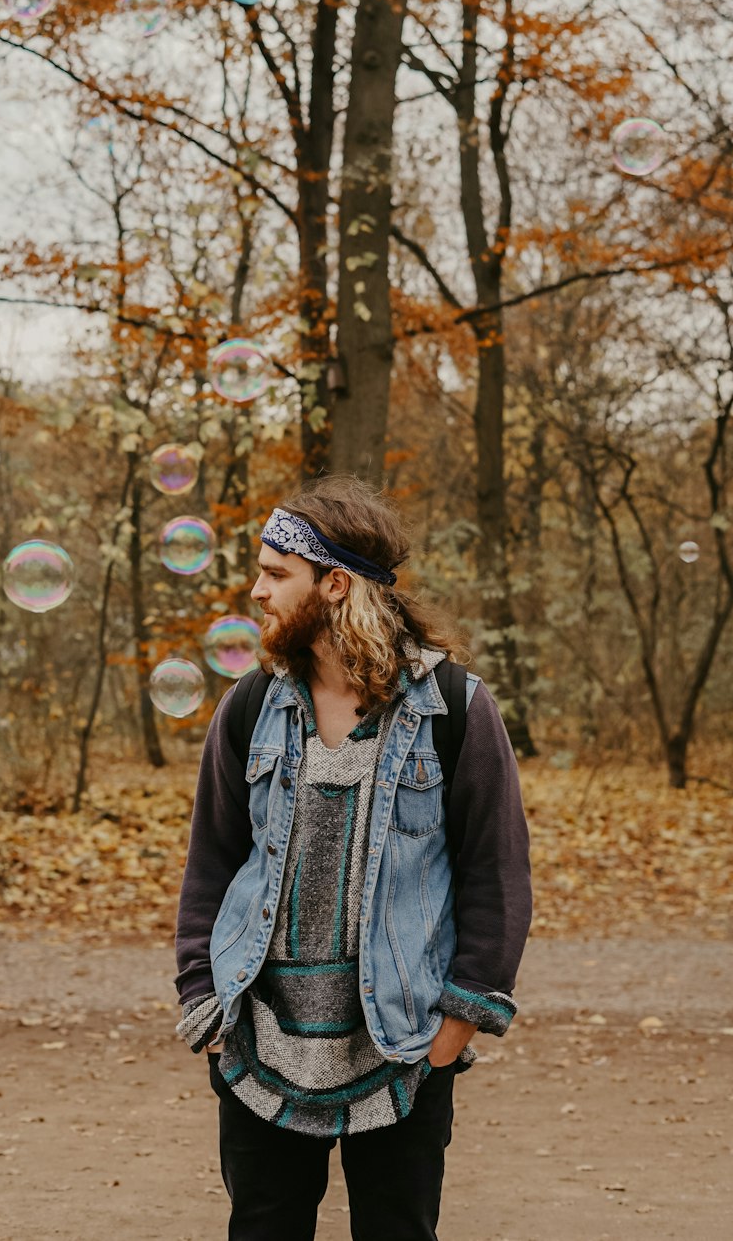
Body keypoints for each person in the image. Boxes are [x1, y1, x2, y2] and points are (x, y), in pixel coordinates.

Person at [173, 474, 532, 1241]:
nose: (257, 591)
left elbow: (495, 875)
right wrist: (204, 997)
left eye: (276, 573)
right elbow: (212, 862)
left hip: (401, 1043)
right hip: (261, 1041)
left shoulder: (455, 707)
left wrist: (455, 1031)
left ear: (333, 585)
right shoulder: (248, 708)